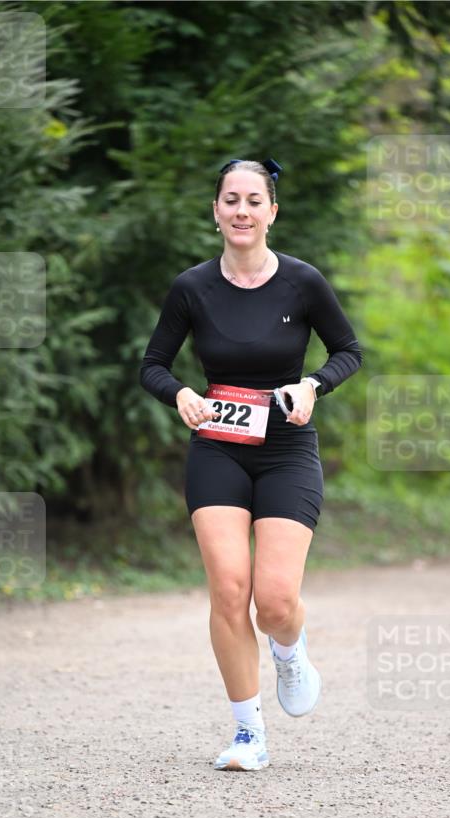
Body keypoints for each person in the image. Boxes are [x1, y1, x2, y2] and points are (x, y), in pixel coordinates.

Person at [139, 157, 363, 772]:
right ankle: (247, 733)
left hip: (287, 450)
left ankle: (289, 650)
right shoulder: (192, 288)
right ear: (216, 211)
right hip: (218, 447)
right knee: (229, 590)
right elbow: (153, 365)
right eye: (231, 200)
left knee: (275, 602)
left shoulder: (302, 282)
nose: (242, 211)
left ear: (272, 212)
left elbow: (348, 350)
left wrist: (313, 384)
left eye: (253, 201)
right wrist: (181, 393)